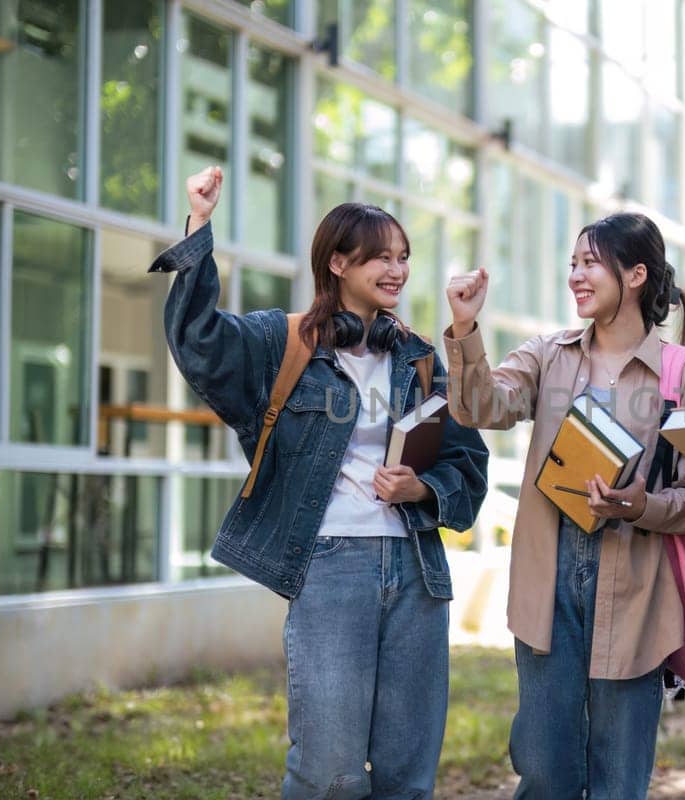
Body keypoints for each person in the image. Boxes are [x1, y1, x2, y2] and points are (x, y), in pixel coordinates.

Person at [152, 166, 490, 800]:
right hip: (330, 567)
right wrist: (199, 225)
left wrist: (420, 489)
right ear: (337, 262)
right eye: (379, 258)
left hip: (417, 569)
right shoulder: (282, 342)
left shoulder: (418, 357)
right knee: (328, 772)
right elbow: (199, 340)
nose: (397, 270)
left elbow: (467, 465)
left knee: (407, 777)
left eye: (404, 258)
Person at [442, 212, 685, 798]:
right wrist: (466, 329)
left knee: (619, 777)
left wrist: (642, 505)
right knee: (545, 769)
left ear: (637, 274)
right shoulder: (548, 355)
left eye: (590, 263)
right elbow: (480, 408)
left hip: (640, 590)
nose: (576, 276)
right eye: (573, 264)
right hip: (549, 580)